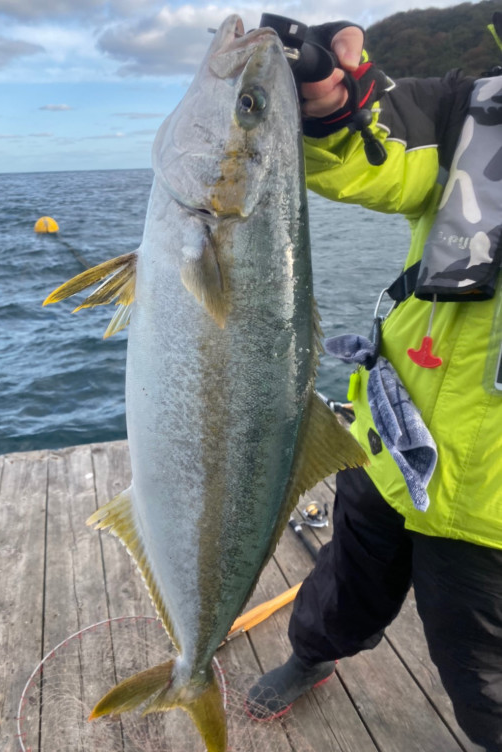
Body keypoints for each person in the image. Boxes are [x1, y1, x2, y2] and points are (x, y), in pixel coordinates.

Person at [246, 16, 502, 752]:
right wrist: (331, 100)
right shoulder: (473, 112)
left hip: (491, 509)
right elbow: (378, 149)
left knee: (483, 671)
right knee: (341, 588)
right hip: (396, 434)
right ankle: (312, 656)